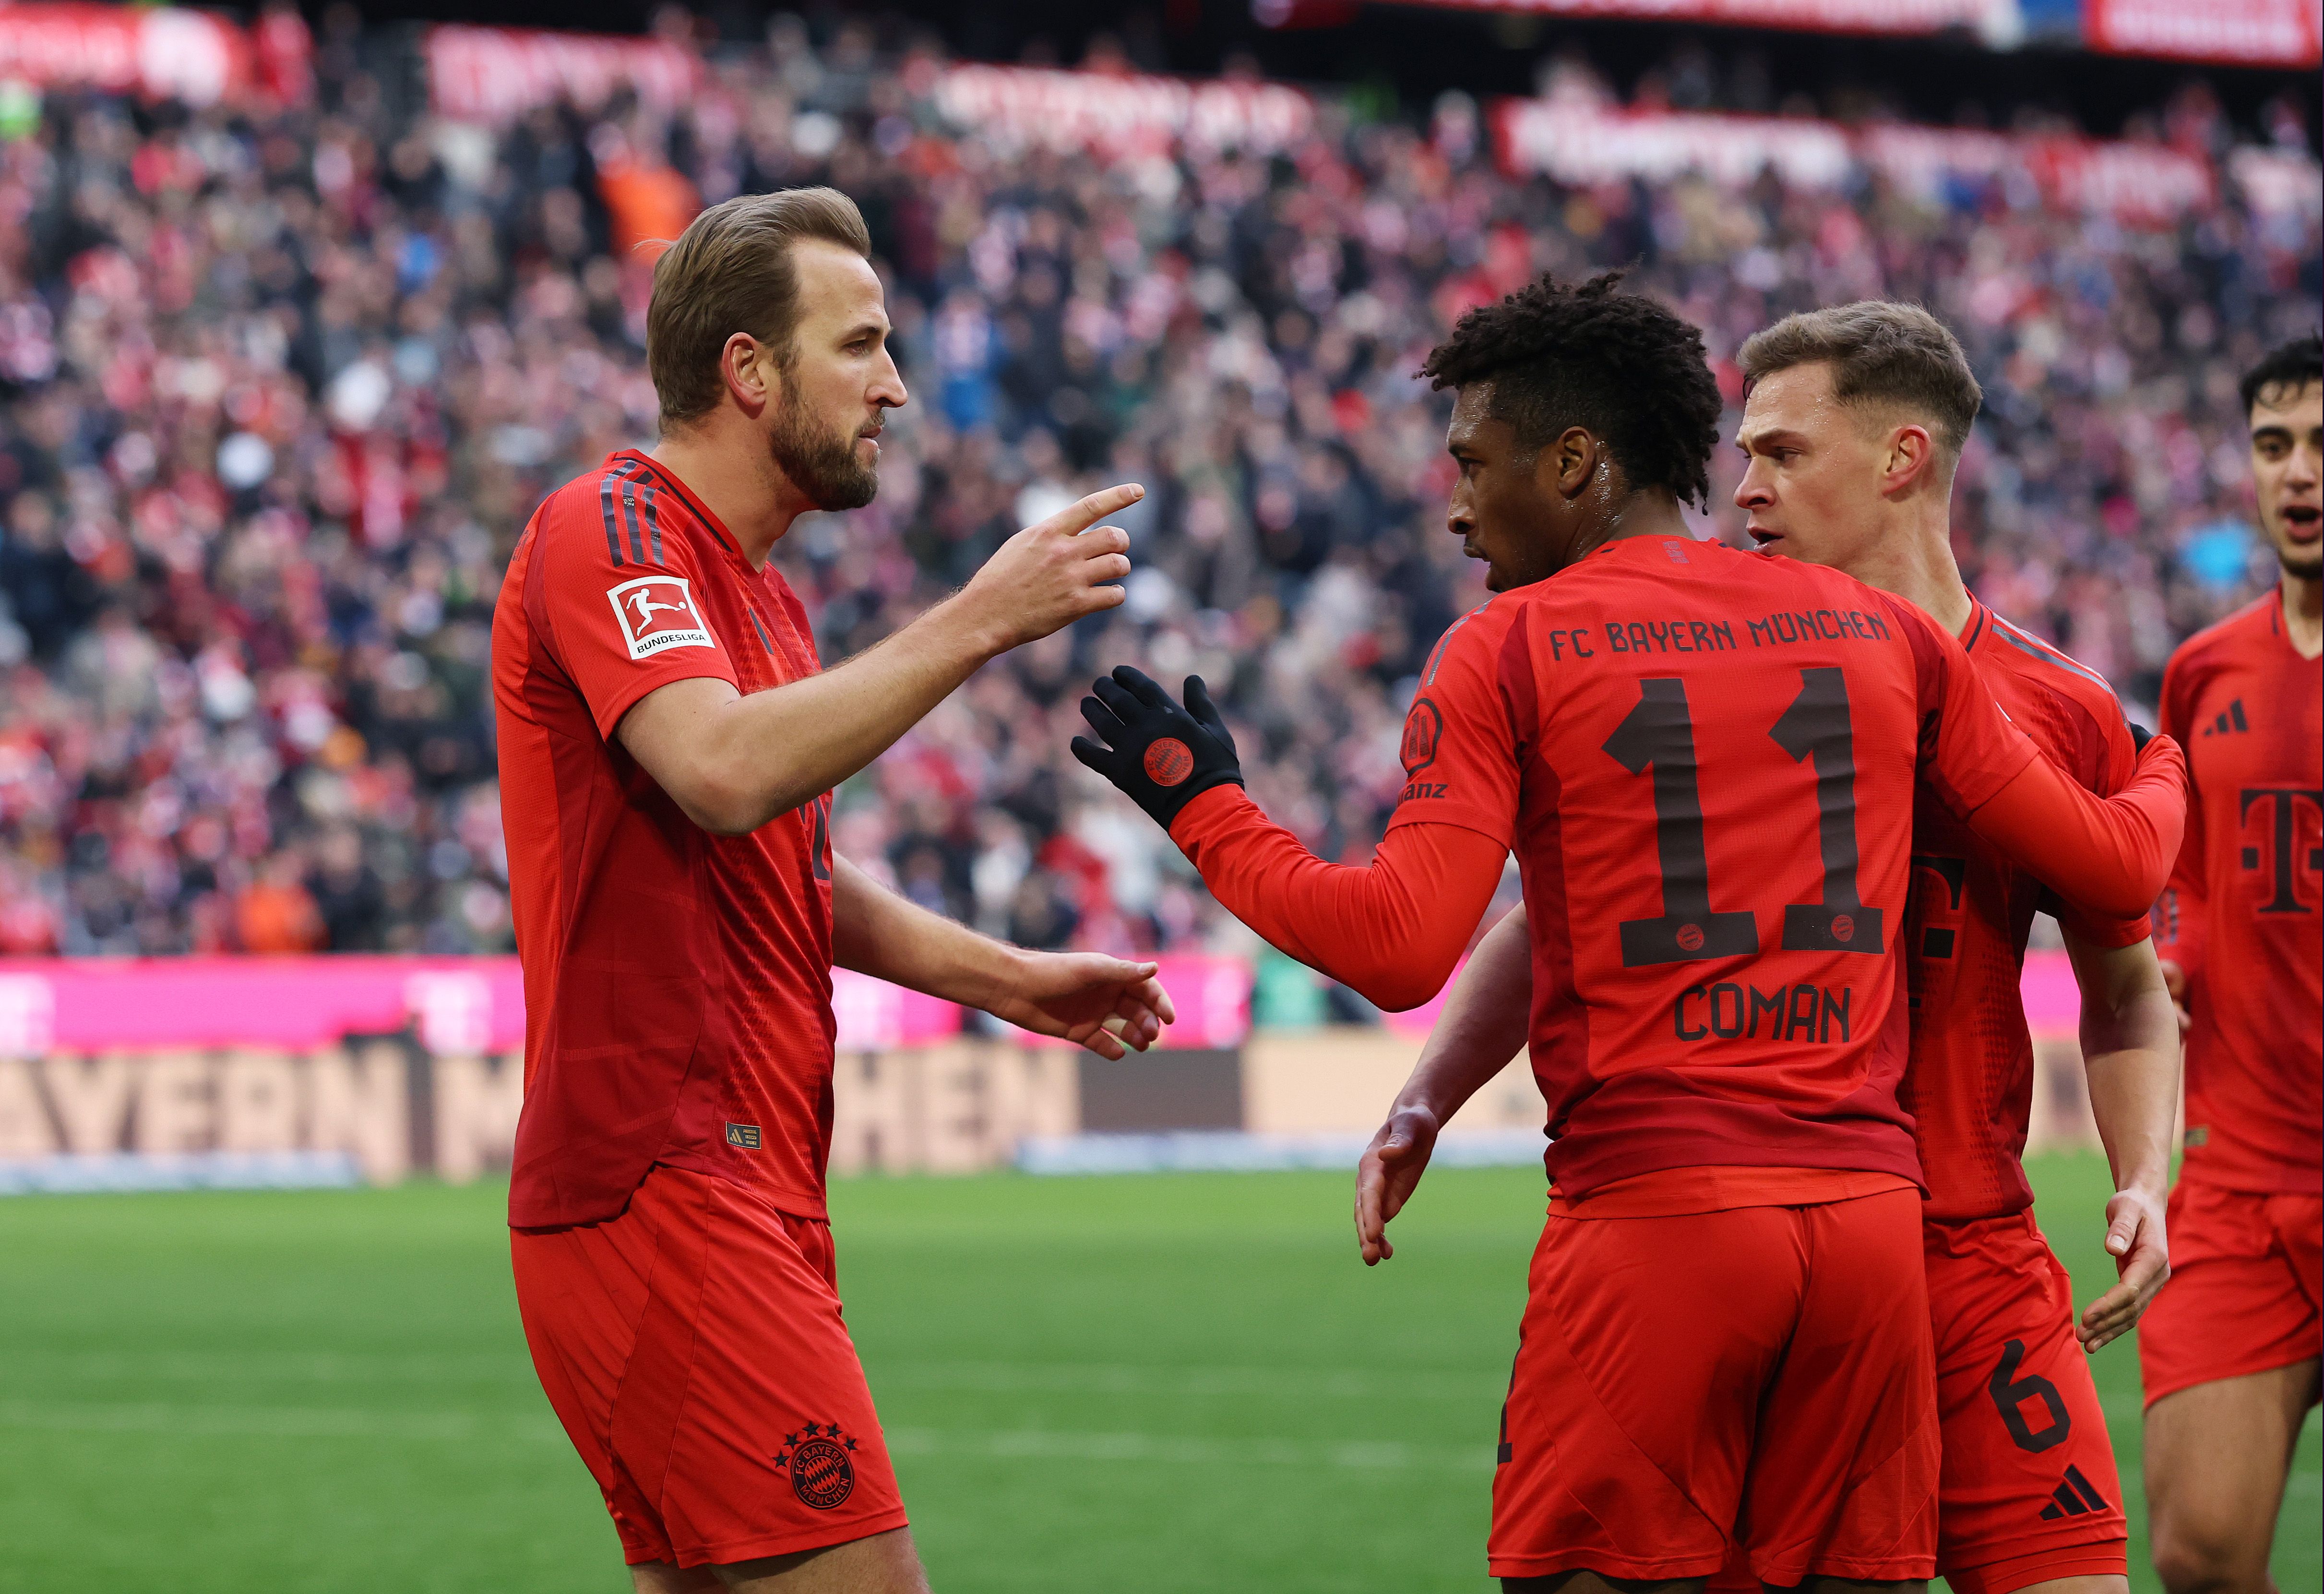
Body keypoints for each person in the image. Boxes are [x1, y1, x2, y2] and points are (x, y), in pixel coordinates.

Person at [1068, 272, 2187, 1591]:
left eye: (1474, 465)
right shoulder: (1882, 639)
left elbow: (1392, 945)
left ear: (1575, 460)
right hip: (1869, 1230)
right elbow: (2119, 854)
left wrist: (1205, 810)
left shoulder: (1512, 644)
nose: (1453, 504)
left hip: (1672, 1216)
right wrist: (2169, 753)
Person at [490, 188, 1174, 1594]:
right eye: (860, 345)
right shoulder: (608, 524)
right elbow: (723, 770)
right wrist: (984, 615)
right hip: (663, 1183)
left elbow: (784, 860)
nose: (898, 387)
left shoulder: (765, 597)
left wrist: (1009, 978)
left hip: (744, 1181)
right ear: (748, 371)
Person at [2141, 332, 2322, 1594]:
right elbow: (2184, 917)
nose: (2299, 472)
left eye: (2320, 445)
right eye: (2274, 446)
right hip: (2241, 1185)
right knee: (2200, 1556)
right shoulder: (2203, 673)